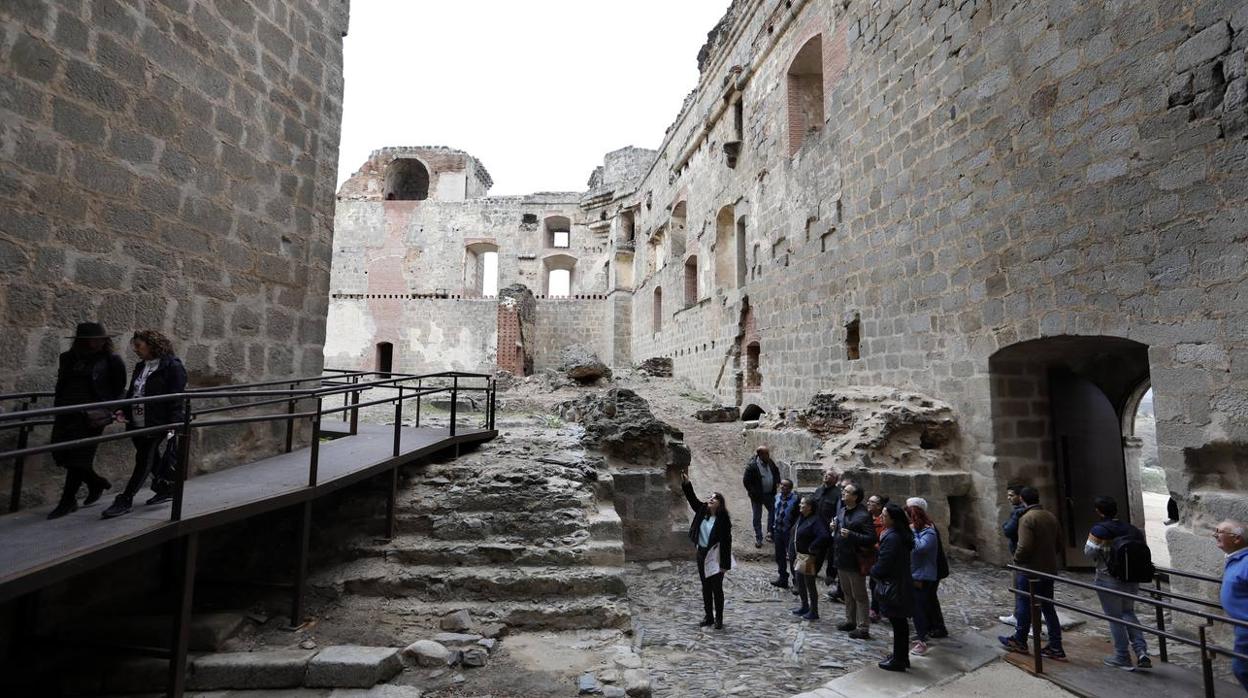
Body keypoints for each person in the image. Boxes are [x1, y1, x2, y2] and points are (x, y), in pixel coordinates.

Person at [102, 330, 188, 519]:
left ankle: (125, 498)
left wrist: (174, 424)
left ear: (152, 345)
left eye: (139, 346)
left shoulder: (172, 366)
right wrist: (123, 410)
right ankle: (165, 488)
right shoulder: (141, 366)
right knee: (151, 458)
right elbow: (135, 392)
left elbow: (176, 398)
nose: (136, 350)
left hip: (156, 422)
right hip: (136, 421)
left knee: (144, 459)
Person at [47, 322, 127, 519]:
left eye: (98, 339)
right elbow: (61, 384)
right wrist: (58, 407)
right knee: (60, 454)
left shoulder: (111, 360)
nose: (94, 343)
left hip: (91, 417)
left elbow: (119, 390)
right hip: (67, 412)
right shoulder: (67, 358)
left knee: (79, 458)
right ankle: (96, 482)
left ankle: (67, 501)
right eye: (89, 340)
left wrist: (107, 411)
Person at [1083, 496, 1152, 671]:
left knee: (1114, 617)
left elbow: (1088, 552)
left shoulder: (1099, 530)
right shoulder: (1132, 529)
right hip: (1131, 577)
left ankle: (1122, 656)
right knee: (1128, 612)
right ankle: (1141, 650)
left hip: (1108, 577)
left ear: (1098, 511)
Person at [999, 486, 1065, 660]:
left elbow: (1024, 545)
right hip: (1048, 569)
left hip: (1029, 570)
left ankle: (1020, 641)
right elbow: (1059, 543)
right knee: (1048, 608)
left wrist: (1018, 560)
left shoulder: (1027, 518)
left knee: (1024, 605)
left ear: (1022, 499)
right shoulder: (1050, 516)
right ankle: (1056, 645)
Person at [681, 471, 732, 629]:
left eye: (715, 498)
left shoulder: (723, 520)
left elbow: (726, 543)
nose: (711, 499)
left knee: (717, 588)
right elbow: (692, 500)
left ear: (720, 503)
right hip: (701, 554)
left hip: (715, 557)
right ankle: (708, 616)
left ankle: (719, 618)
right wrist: (687, 484)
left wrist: (725, 565)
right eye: (710, 497)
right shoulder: (703, 510)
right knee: (705, 586)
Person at [872, 502, 915, 672]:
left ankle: (899, 659)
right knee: (899, 623)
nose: (882, 517)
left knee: (898, 622)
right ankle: (900, 656)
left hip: (895, 585)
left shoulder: (892, 537)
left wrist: (874, 571)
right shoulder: (898, 535)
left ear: (893, 519)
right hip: (900, 582)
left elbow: (885, 563)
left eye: (885, 515)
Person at [833, 482, 876, 639]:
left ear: (856, 497)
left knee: (859, 595)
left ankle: (863, 627)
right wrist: (835, 527)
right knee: (847, 592)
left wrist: (851, 535)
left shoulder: (863, 516)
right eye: (844, 491)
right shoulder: (842, 510)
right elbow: (840, 530)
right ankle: (850, 621)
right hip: (841, 558)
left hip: (855, 560)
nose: (843, 493)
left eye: (847, 491)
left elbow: (871, 538)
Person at [907, 496, 949, 639]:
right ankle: (931, 626)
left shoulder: (928, 529)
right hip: (927, 569)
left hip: (931, 570)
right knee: (928, 599)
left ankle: (936, 627)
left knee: (928, 599)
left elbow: (922, 548)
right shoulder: (922, 527)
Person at [1214, 520, 1248, 692]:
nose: (1214, 535)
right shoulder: (1236, 558)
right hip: (1240, 626)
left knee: (1241, 668)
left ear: (1237, 539)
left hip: (1246, 627)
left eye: (1220, 532)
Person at [791, 495, 832, 620]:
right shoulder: (802, 518)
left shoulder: (816, 520)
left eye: (803, 504)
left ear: (809, 507)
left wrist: (812, 547)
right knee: (800, 581)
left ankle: (814, 610)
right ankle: (804, 606)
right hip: (801, 556)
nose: (800, 505)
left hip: (808, 557)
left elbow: (824, 536)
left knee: (809, 583)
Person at [907, 501, 939, 656]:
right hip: (915, 572)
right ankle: (921, 634)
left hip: (922, 576)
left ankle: (922, 639)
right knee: (915, 607)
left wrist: (911, 532)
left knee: (919, 608)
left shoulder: (929, 532)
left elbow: (920, 548)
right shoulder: (920, 531)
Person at [811, 468, 844, 597]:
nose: (826, 476)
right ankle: (815, 570)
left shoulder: (837, 494)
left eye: (830, 475)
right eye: (825, 474)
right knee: (818, 551)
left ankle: (830, 575)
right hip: (817, 527)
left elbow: (839, 511)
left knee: (832, 553)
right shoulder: (818, 490)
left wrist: (835, 526)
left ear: (835, 480)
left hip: (829, 528)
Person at [743, 446, 781, 548]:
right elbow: (746, 481)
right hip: (757, 496)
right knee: (757, 516)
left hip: (769, 494)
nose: (768, 456)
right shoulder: (752, 466)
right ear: (760, 455)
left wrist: (777, 481)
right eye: (766, 454)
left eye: (768, 454)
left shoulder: (770, 462)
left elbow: (776, 471)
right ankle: (758, 538)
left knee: (773, 511)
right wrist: (753, 492)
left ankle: (770, 532)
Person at [999, 484, 1026, 625]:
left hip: (1020, 555)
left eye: (1011, 495)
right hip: (1021, 554)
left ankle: (1021, 619)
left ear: (1020, 497)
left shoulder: (1018, 512)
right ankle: (1018, 615)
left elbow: (1008, 530)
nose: (1009, 498)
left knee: (1021, 588)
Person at [771, 478, 800, 588]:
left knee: (792, 557)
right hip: (778, 530)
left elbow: (798, 516)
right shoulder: (777, 497)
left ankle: (797, 581)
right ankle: (782, 578)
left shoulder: (796, 499)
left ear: (790, 488)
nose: (783, 487)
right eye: (781, 485)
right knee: (779, 556)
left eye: (785, 486)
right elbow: (774, 513)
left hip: (789, 532)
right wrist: (771, 529)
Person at [867, 494, 889, 622]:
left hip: (880, 555)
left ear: (879, 506)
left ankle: (880, 609)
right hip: (871, 556)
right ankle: (875, 609)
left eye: (872, 502)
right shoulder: (867, 517)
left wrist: (873, 544)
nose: (868, 504)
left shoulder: (884, 520)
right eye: (868, 501)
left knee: (880, 584)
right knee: (873, 583)